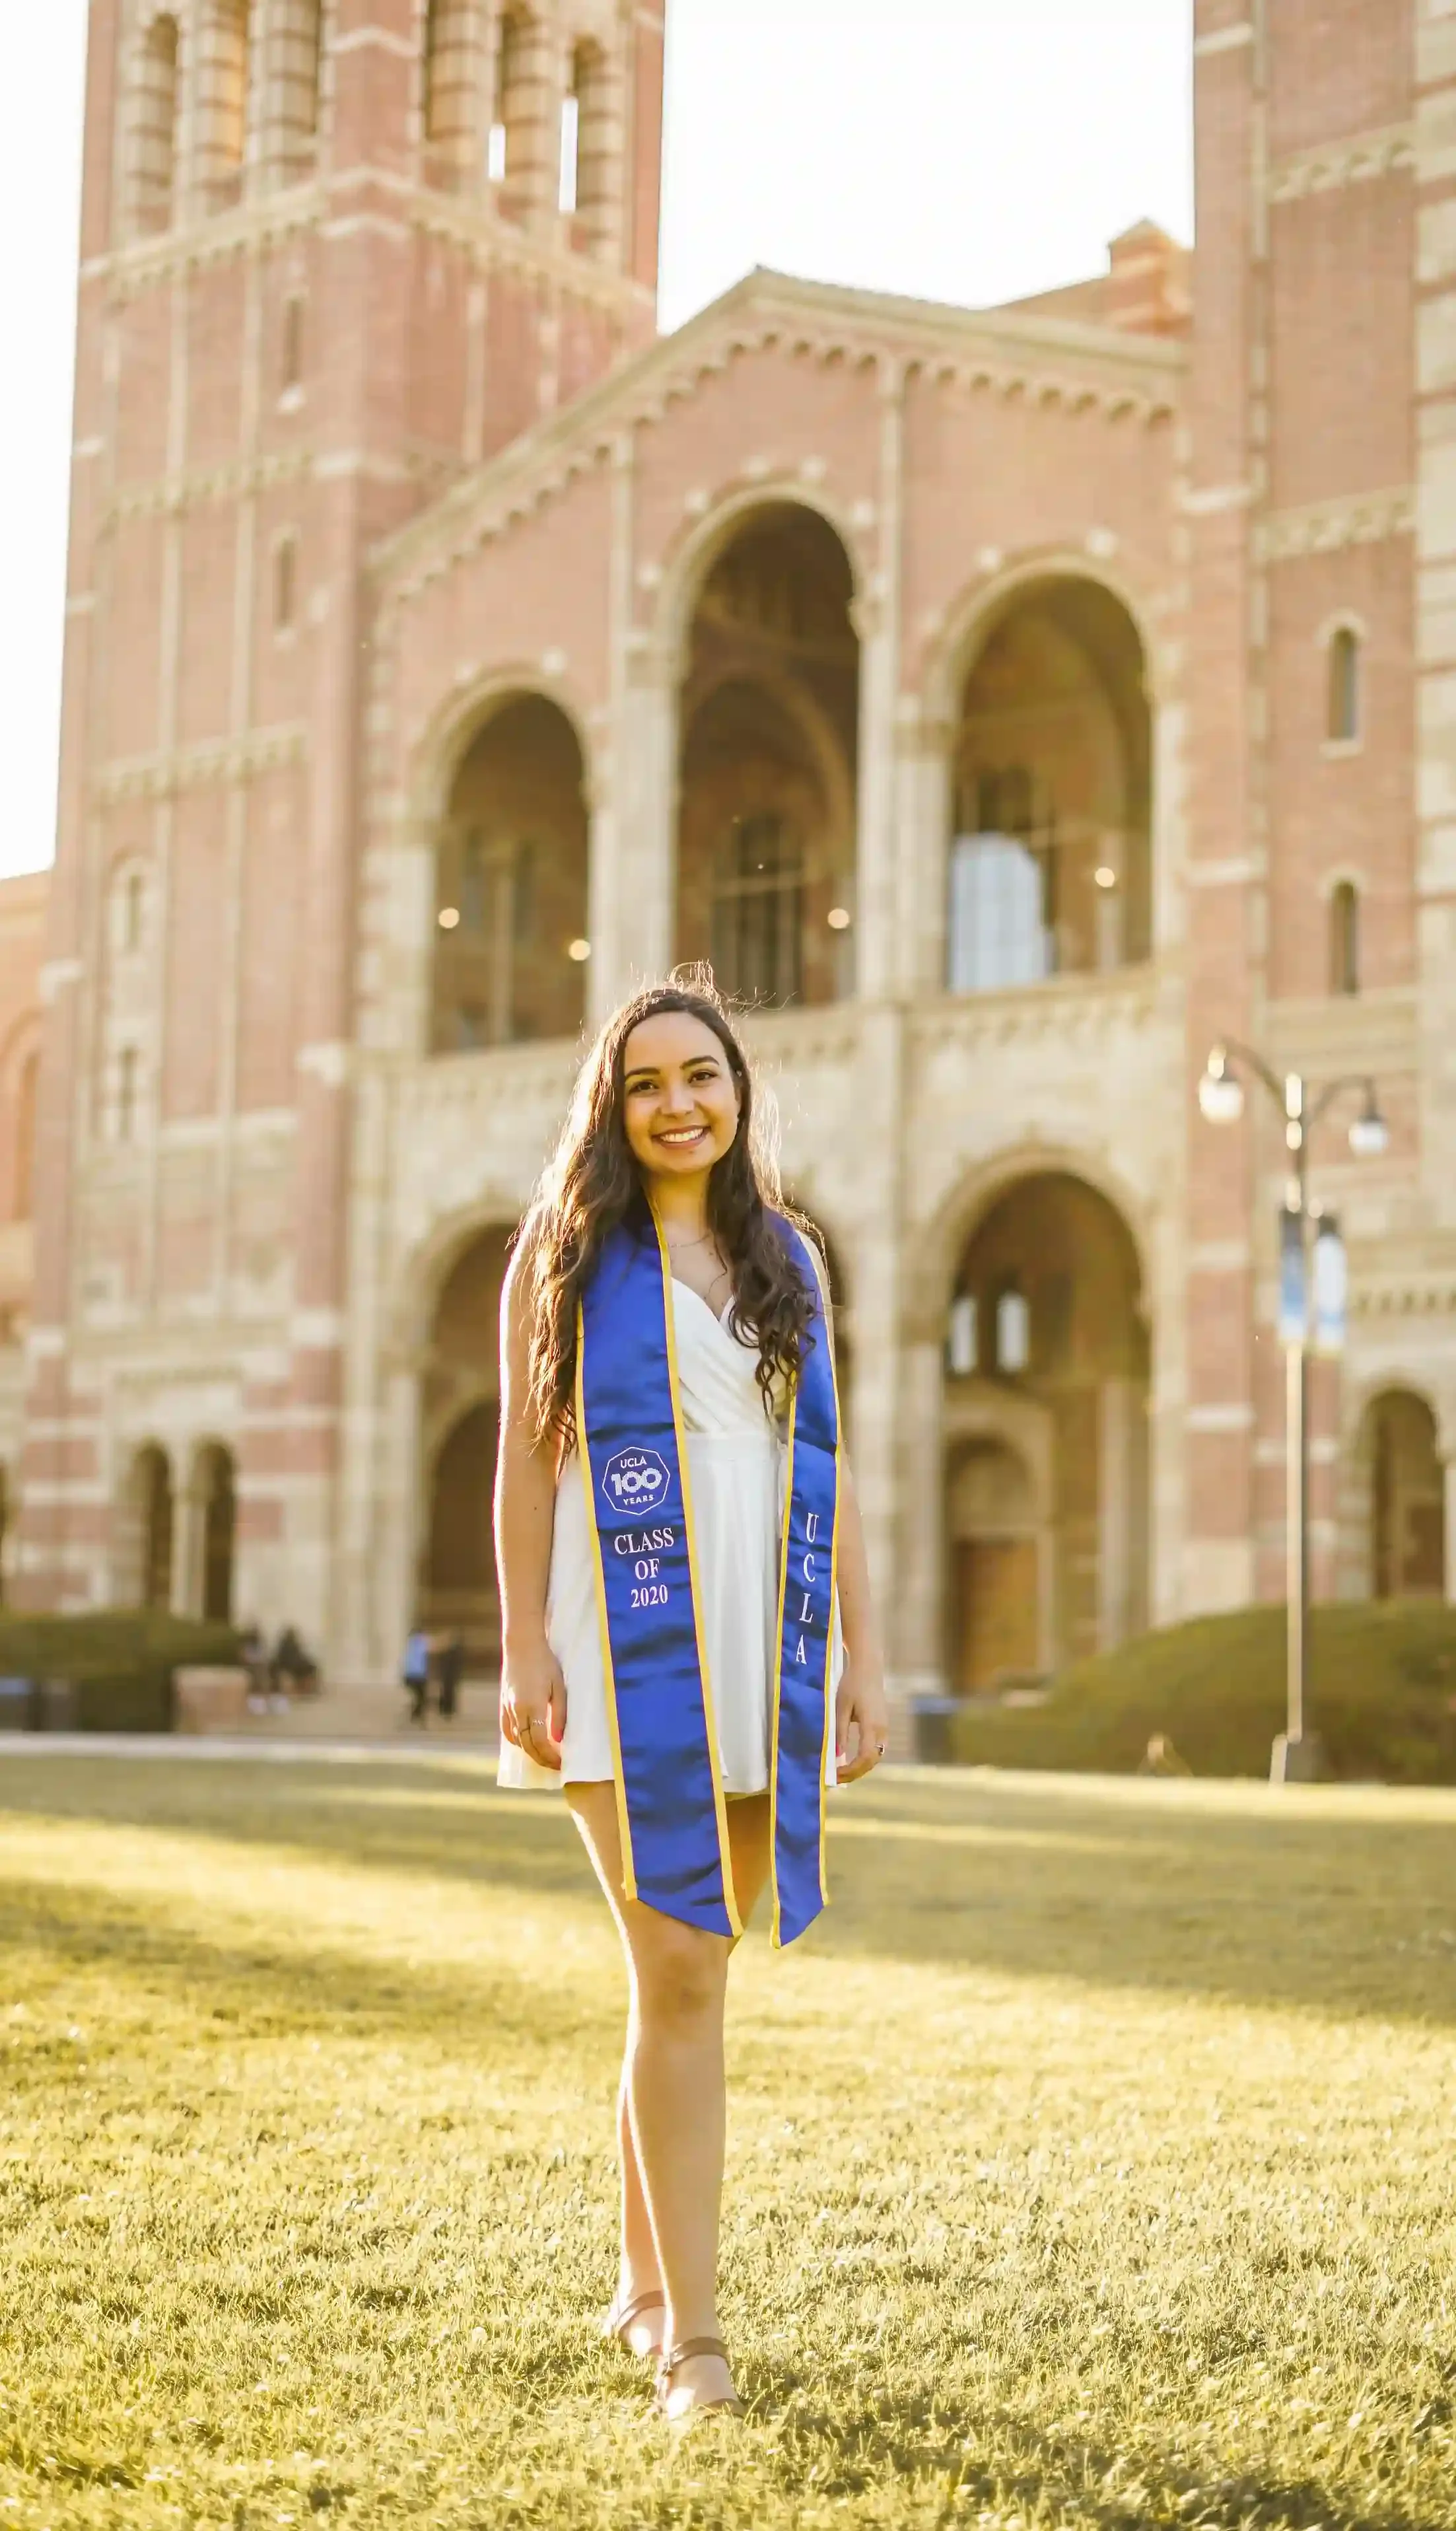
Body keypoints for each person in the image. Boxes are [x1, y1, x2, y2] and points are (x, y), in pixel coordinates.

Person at [495, 976, 888, 2420]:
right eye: (648, 1080)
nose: (678, 1103)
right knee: (685, 1973)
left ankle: (639, 2280)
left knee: (668, 1979)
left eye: (702, 1076)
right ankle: (695, 2341)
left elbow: (826, 1475)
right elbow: (528, 1466)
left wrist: (865, 1654)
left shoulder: (786, 1256)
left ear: (737, 1093)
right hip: (619, 1648)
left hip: (753, 1646)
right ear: (613, 1102)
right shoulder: (564, 1248)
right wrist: (519, 1647)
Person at [401, 1624, 431, 1726]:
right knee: (422, 1698)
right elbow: (434, 1646)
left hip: (410, 1676)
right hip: (417, 1676)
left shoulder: (411, 1643)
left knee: (421, 1698)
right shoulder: (421, 1643)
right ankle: (415, 1716)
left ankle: (416, 1716)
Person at [436, 1631, 465, 1721]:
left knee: (449, 1693)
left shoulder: (451, 1652)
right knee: (448, 1693)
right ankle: (447, 1710)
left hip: (449, 1676)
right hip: (449, 1676)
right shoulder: (450, 1652)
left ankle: (447, 1710)